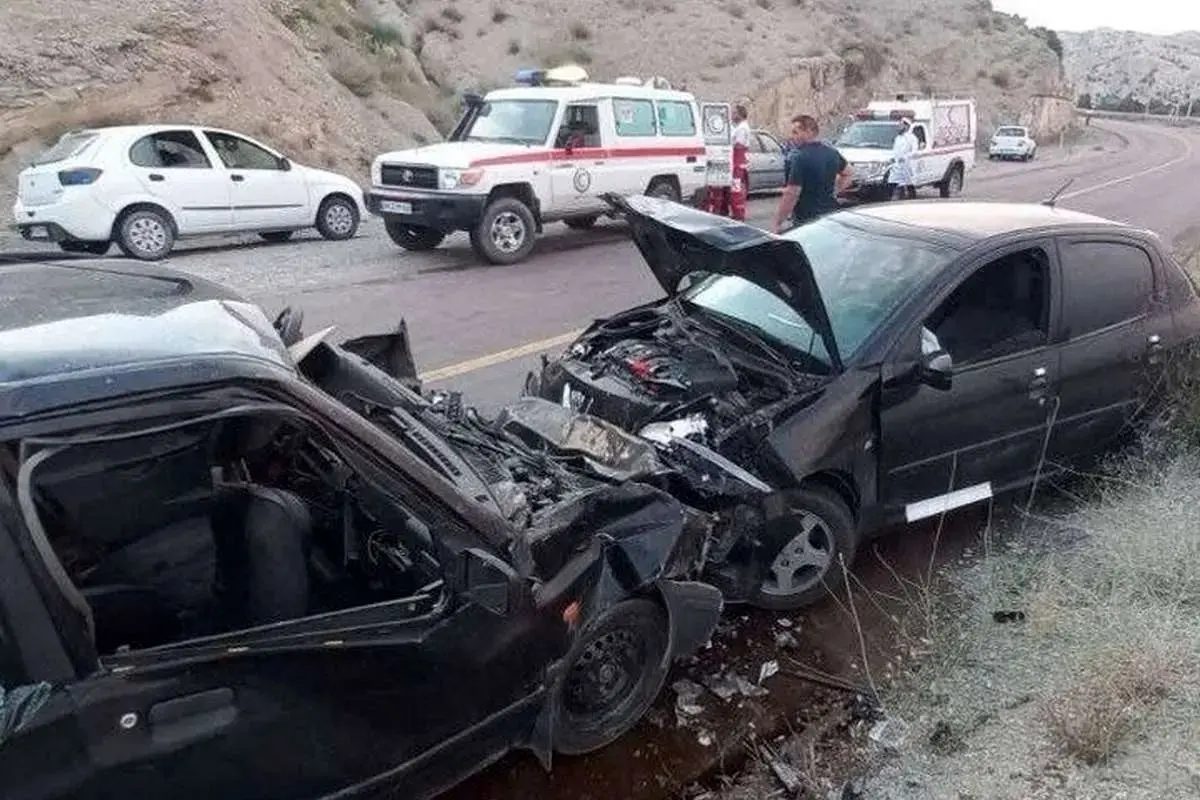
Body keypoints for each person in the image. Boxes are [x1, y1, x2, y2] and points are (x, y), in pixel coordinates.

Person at [772, 114, 852, 233]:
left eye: (795, 132)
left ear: (809, 132)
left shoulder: (799, 157)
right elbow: (848, 173)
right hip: (830, 214)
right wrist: (834, 192)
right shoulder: (832, 153)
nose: (792, 137)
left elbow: (792, 193)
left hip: (806, 219)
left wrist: (778, 222)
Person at [729, 104, 752, 220]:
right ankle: (737, 212)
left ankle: (738, 214)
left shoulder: (742, 128)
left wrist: (729, 146)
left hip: (738, 160)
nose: (732, 115)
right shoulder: (739, 127)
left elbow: (739, 144)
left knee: (736, 188)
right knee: (737, 187)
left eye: (734, 113)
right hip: (739, 160)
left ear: (740, 115)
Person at [889, 117, 918, 200]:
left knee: (909, 184)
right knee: (896, 182)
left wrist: (905, 157)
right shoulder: (898, 138)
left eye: (901, 125)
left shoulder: (912, 138)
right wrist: (893, 158)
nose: (899, 127)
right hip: (897, 165)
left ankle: (912, 199)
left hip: (907, 165)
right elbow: (895, 150)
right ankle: (899, 198)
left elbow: (914, 151)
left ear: (906, 126)